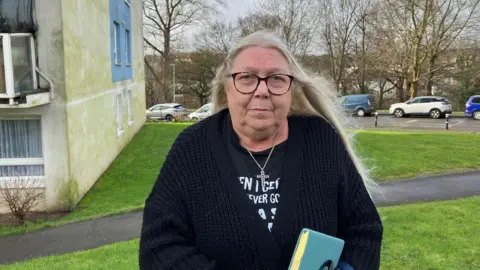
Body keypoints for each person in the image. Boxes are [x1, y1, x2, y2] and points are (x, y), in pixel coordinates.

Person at [139, 31, 383, 270]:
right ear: (227, 87)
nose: (262, 90)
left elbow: (364, 228)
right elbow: (159, 245)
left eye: (276, 78)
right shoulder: (192, 147)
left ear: (291, 89)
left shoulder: (321, 140)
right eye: (247, 77)